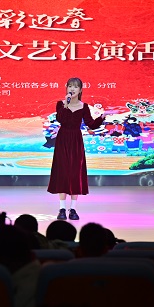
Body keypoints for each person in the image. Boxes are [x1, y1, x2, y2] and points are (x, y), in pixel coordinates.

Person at [48, 77, 105, 220]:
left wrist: (102, 118)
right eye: (70, 86)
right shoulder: (60, 104)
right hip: (62, 139)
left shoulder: (84, 107)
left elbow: (91, 124)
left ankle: (73, 209)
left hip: (76, 141)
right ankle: (62, 209)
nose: (72, 89)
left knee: (75, 173)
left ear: (80, 90)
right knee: (62, 172)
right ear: (66, 88)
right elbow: (60, 119)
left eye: (75, 87)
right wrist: (65, 105)